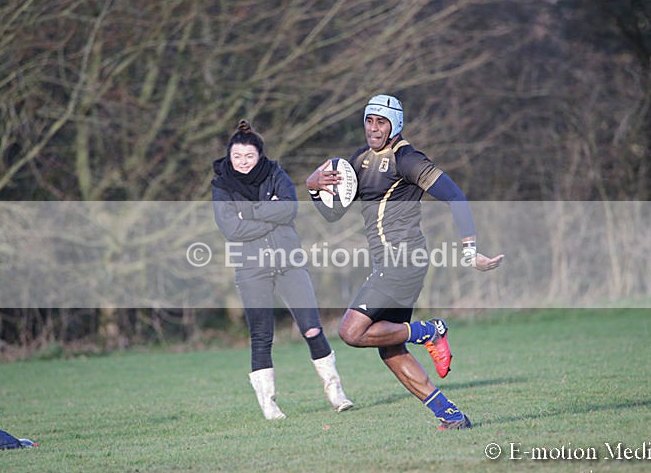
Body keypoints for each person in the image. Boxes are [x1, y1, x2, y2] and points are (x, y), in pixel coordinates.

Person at [305, 94, 503, 429]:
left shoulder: (407, 159)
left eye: (380, 122)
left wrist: (470, 250)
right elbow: (334, 214)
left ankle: (430, 330)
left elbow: (456, 196)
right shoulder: (359, 160)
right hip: (391, 263)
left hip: (402, 261)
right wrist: (313, 188)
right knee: (391, 348)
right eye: (369, 120)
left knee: (351, 332)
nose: (373, 128)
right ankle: (451, 416)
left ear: (395, 124)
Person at [212, 120, 354, 419]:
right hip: (251, 268)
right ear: (229, 156)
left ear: (259, 155)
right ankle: (269, 404)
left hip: (290, 262)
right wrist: (270, 210)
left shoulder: (276, 174)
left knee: (312, 327)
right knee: (261, 335)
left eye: (248, 157)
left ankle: (334, 389)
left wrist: (250, 211)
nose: (243, 163)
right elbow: (231, 229)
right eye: (237, 157)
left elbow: (289, 209)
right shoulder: (221, 186)